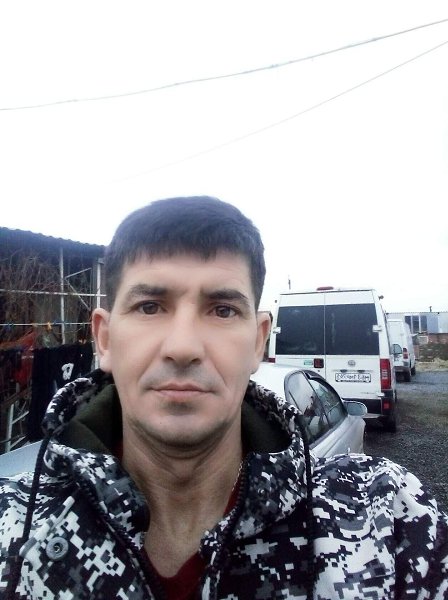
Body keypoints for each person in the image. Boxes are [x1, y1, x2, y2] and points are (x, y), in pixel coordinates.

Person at [0, 196, 447, 600]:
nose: (183, 347)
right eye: (150, 306)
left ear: (258, 342)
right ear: (105, 339)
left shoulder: (386, 519)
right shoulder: (12, 527)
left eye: (222, 310)